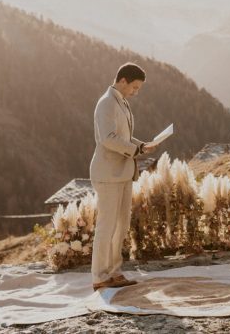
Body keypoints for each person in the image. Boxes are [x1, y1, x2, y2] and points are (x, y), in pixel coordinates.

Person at [89, 62, 156, 291]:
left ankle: (115, 272)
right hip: (108, 173)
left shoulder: (122, 102)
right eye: (134, 87)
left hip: (124, 173)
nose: (135, 92)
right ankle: (99, 277)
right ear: (123, 80)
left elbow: (123, 135)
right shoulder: (106, 103)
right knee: (106, 227)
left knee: (121, 225)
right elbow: (108, 138)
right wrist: (134, 150)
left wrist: (141, 145)